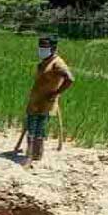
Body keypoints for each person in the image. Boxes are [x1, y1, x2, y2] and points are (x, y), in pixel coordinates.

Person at [19, 35, 74, 167]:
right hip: (35, 101)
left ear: (53, 48)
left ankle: (32, 155)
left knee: (38, 129)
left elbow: (70, 79)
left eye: (44, 47)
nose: (41, 50)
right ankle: (33, 153)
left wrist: (56, 93)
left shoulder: (57, 63)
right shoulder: (45, 61)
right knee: (32, 127)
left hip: (46, 102)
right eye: (40, 47)